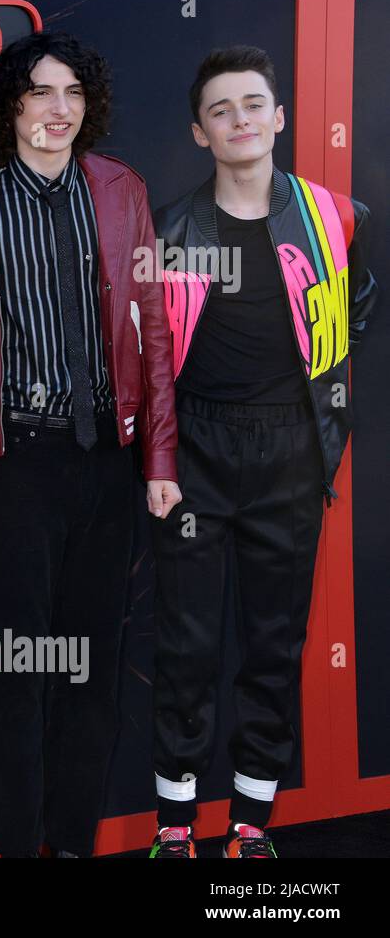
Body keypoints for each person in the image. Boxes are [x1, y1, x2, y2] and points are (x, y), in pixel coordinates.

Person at [0, 31, 181, 857]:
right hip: (16, 465)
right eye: (39, 92)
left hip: (106, 459)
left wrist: (159, 459)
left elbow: (157, 334)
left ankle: (73, 842)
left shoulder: (120, 189)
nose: (58, 109)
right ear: (11, 107)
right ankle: (18, 845)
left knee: (94, 664)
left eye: (72, 92)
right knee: (20, 667)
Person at [148, 46, 376, 859]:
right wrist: (161, 463)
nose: (241, 119)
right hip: (198, 451)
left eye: (254, 104)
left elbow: (353, 320)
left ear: (278, 117)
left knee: (273, 641)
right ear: (201, 133)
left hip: (288, 453)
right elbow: (145, 363)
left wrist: (320, 436)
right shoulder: (171, 232)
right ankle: (174, 822)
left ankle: (252, 820)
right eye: (222, 110)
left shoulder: (335, 219)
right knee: (186, 642)